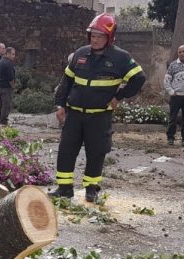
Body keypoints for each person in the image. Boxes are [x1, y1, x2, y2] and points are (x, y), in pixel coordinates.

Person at [50, 13, 146, 202]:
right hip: (74, 115)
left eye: (99, 36)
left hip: (99, 117)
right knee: (66, 151)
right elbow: (66, 81)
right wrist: (60, 104)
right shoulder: (80, 54)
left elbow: (139, 78)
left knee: (96, 152)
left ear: (109, 38)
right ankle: (64, 188)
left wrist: (119, 96)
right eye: (92, 35)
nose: (95, 39)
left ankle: (91, 189)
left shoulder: (121, 58)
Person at [0, 47, 16, 125]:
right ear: (7, 54)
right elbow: (10, 78)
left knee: (0, 105)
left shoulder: (0, 62)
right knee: (6, 105)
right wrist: (13, 86)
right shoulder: (8, 63)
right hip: (6, 88)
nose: (13, 56)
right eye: (12, 54)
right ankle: (3, 122)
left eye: (14, 54)